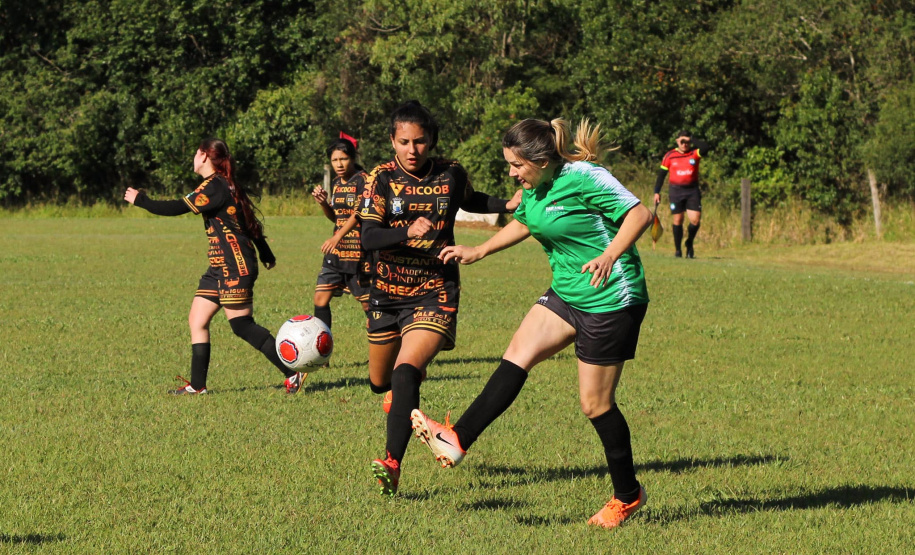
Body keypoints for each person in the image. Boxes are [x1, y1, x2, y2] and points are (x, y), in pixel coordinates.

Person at [409, 118, 653, 529]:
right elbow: (525, 221)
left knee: (595, 405)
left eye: (516, 165)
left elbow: (640, 214)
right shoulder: (533, 188)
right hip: (567, 292)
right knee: (517, 355)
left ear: (540, 160)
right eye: (509, 164)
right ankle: (457, 439)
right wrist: (480, 250)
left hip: (610, 299)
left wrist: (610, 255)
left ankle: (627, 496)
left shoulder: (585, 178)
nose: (511, 173)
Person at [360, 100, 522, 497]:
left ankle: (392, 464)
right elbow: (367, 238)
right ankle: (402, 395)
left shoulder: (451, 174)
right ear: (392, 141)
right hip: (386, 292)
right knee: (380, 383)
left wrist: (507, 204)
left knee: (405, 371)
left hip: (434, 289)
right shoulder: (379, 179)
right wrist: (406, 231)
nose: (412, 150)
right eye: (403, 142)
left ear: (431, 141)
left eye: (419, 142)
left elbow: (471, 200)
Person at [124, 138, 305, 395]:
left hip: (235, 265)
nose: (194, 158)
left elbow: (177, 207)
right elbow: (249, 221)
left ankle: (293, 372)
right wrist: (266, 253)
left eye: (196, 153)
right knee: (197, 320)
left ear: (205, 156)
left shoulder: (215, 186)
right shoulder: (223, 184)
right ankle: (197, 386)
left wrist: (141, 200)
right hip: (219, 266)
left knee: (241, 325)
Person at [309, 134, 372, 340]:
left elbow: (360, 214)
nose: (339, 164)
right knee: (320, 298)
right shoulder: (336, 183)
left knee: (368, 304)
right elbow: (335, 217)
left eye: (343, 159)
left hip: (359, 253)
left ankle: (385, 347)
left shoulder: (364, 181)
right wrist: (323, 203)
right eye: (335, 160)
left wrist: (337, 237)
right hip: (337, 253)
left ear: (352, 158)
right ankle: (322, 350)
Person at [653, 130, 710, 258]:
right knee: (678, 219)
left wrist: (692, 139)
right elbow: (661, 175)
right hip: (676, 191)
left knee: (695, 220)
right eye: (682, 141)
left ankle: (689, 243)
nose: (685, 144)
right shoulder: (670, 156)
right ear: (677, 141)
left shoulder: (694, 154)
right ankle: (678, 250)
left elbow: (706, 147)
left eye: (687, 142)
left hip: (692, 191)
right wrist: (657, 192)